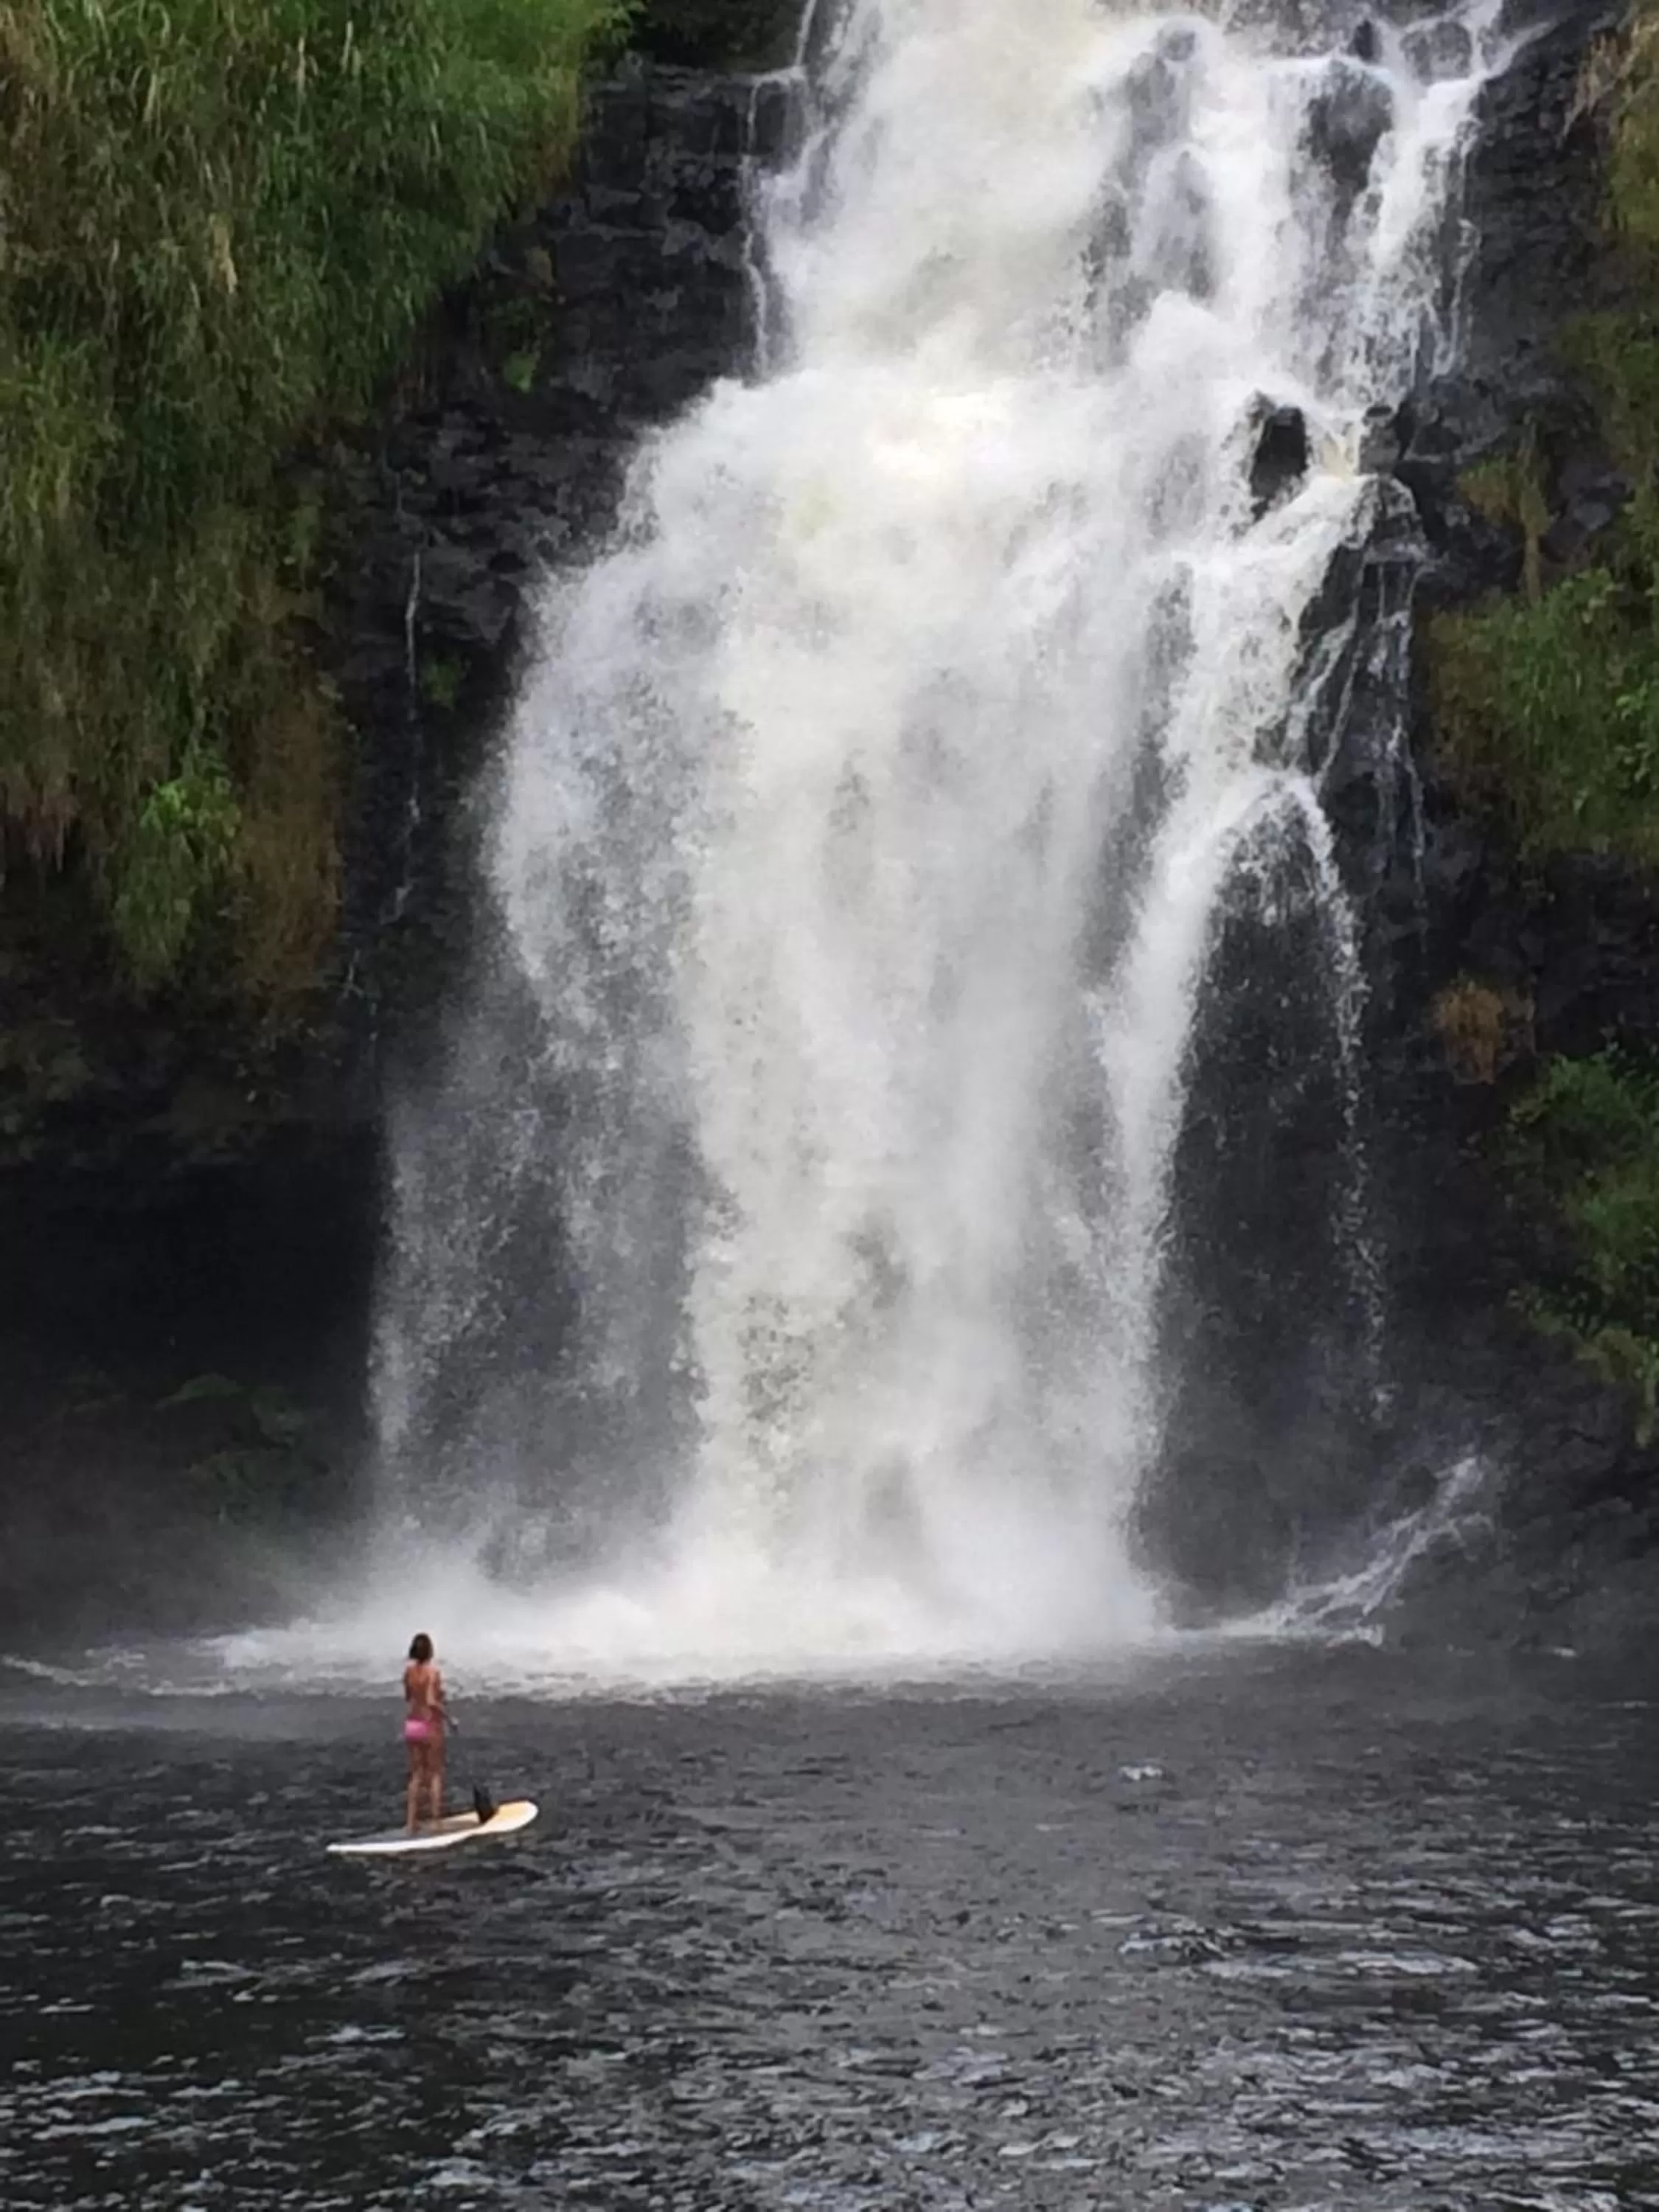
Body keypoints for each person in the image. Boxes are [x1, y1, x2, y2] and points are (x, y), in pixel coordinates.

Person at [402, 1632, 448, 1832]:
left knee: (416, 1774)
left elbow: (408, 1697)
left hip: (412, 1723)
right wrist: (449, 1717)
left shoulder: (408, 1672)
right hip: (429, 1723)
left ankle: (411, 1822)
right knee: (435, 1773)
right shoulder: (433, 1672)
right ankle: (436, 1821)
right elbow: (430, 1701)